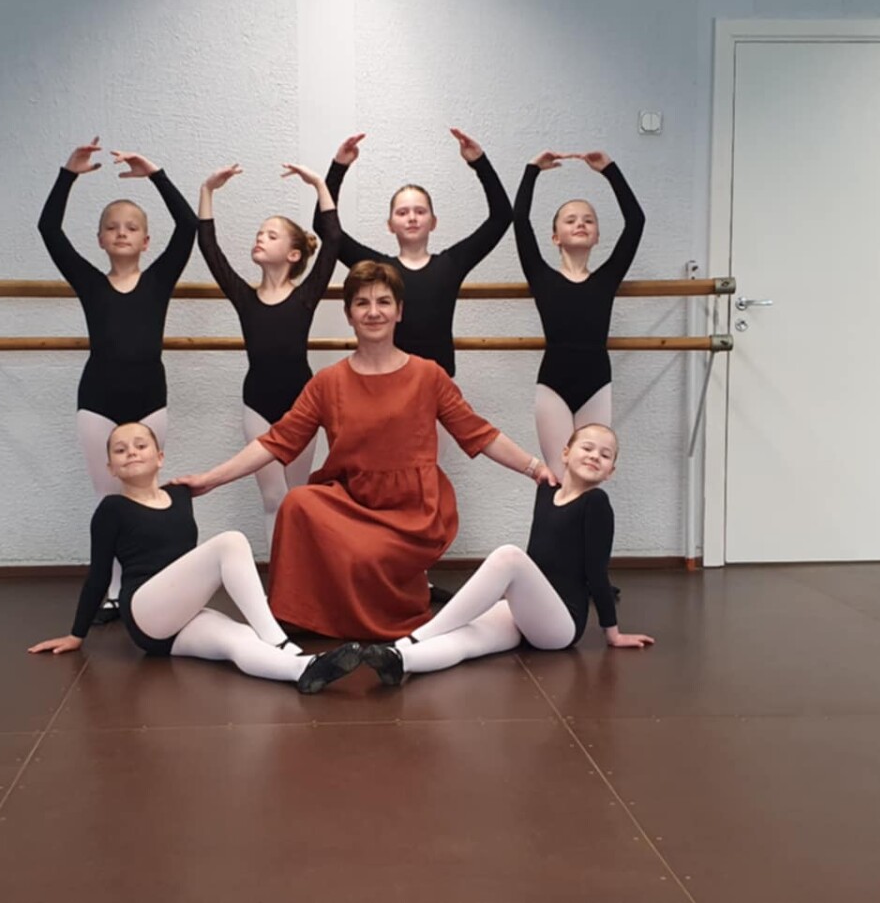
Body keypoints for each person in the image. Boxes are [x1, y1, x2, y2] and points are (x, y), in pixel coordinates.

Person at [173, 261, 556, 642]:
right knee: (297, 504)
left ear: (399, 311)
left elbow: (479, 433)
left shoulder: (428, 375)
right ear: (349, 315)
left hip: (413, 508)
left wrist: (534, 466)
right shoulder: (328, 382)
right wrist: (211, 479)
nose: (374, 312)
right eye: (362, 303)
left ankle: (390, 617)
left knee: (366, 551)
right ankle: (303, 619)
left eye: (383, 302)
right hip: (352, 500)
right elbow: (277, 440)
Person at [25, 422, 365, 694]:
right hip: (145, 610)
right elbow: (99, 574)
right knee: (230, 542)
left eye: (140, 446)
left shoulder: (180, 494)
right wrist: (76, 635)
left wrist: (206, 480)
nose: (131, 453)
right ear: (111, 468)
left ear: (160, 457)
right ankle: (279, 640)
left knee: (238, 639)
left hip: (178, 617)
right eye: (120, 450)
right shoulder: (111, 509)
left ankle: (302, 669)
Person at [355, 424, 656, 684]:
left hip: (561, 625)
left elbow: (597, 572)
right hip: (529, 612)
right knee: (469, 639)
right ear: (565, 453)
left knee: (509, 556)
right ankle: (399, 659)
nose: (594, 456)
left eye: (605, 455)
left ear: (610, 472)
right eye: (587, 448)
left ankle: (415, 637)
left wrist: (612, 633)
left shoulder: (596, 503)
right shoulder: (547, 490)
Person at [39, 137, 197, 618]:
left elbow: (188, 226)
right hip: (98, 401)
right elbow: (49, 229)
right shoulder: (90, 282)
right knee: (109, 497)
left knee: (148, 493)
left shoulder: (159, 279)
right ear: (100, 240)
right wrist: (68, 173)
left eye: (131, 227)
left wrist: (156, 175)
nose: (121, 233)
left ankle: (151, 582)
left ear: (146, 241)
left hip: (150, 399)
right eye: (112, 227)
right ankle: (110, 590)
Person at [195, 161, 343, 542]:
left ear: (293, 255)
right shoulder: (244, 297)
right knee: (273, 496)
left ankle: (302, 571)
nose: (260, 238)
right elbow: (209, 248)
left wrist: (319, 184)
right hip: (257, 405)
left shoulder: (305, 296)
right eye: (259, 233)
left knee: (298, 496)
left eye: (271, 235)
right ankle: (280, 573)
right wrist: (207, 191)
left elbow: (333, 241)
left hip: (302, 405)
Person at [322, 129, 510, 379]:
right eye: (402, 213)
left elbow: (501, 217)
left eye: (420, 211)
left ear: (433, 222)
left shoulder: (451, 264)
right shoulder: (378, 269)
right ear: (390, 225)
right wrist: (339, 167)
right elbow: (325, 227)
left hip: (437, 382)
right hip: (388, 378)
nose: (412, 217)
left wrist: (479, 162)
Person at [513, 150, 644, 479]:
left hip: (597, 382)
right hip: (553, 384)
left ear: (597, 236)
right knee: (557, 477)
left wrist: (610, 170)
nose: (580, 224)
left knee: (589, 475)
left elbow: (636, 222)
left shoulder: (606, 279)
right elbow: (520, 220)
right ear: (555, 237)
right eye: (570, 220)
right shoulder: (541, 276)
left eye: (588, 220)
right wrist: (532, 170)